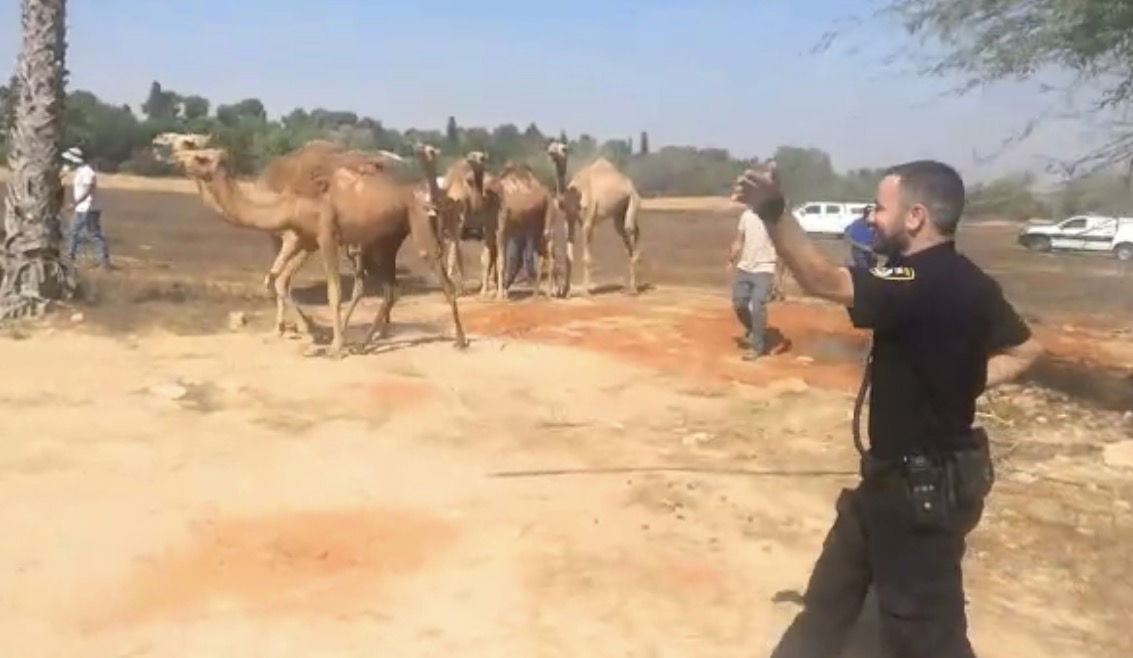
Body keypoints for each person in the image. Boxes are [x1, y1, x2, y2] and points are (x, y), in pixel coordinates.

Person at [732, 159, 1042, 657]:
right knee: (829, 603)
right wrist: (964, 382)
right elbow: (1026, 350)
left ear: (916, 217)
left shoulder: (911, 277)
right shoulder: (977, 284)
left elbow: (820, 278)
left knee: (927, 635)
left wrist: (772, 211)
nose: (872, 218)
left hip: (919, 499)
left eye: (880, 208)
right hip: (890, 484)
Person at [728, 207, 779, 359]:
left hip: (765, 267)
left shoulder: (773, 216)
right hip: (745, 266)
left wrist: (778, 275)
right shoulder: (746, 215)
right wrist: (731, 259)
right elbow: (739, 240)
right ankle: (753, 329)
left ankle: (757, 346)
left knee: (757, 305)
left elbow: (781, 245)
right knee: (739, 303)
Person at [62, 146, 112, 270]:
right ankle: (71, 257)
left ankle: (103, 261)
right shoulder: (80, 171)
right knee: (73, 232)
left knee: (93, 234)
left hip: (89, 208)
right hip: (82, 208)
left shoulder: (87, 172)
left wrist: (75, 203)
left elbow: (89, 189)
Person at [843, 205, 879, 269]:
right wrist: (863, 247)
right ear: (866, 215)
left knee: (873, 269)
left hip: (872, 253)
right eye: (873, 214)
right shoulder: (857, 224)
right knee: (863, 268)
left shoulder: (876, 224)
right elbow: (848, 238)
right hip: (859, 252)